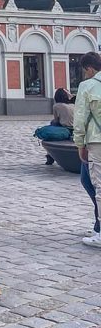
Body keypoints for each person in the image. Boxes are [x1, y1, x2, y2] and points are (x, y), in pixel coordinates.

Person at [73, 52, 101, 247]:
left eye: (85, 71)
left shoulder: (87, 86)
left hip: (97, 142)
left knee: (99, 187)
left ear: (89, 69)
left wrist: (79, 144)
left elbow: (80, 119)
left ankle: (100, 232)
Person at [36, 87, 74, 166]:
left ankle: (49, 156)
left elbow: (56, 120)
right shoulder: (73, 105)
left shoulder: (57, 106)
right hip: (76, 129)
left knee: (53, 123)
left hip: (66, 129)